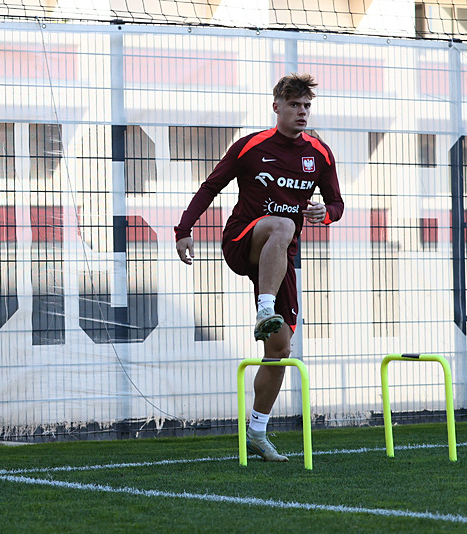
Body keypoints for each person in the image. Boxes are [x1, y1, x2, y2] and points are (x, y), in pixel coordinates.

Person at [174, 73, 344, 462]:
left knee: (281, 347)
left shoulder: (319, 153)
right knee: (283, 223)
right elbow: (210, 187)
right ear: (277, 107)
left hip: (280, 256)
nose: (302, 112)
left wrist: (326, 212)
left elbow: (336, 202)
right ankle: (264, 310)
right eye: (294, 105)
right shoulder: (251, 146)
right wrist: (184, 228)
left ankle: (257, 431)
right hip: (242, 241)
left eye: (306, 106)